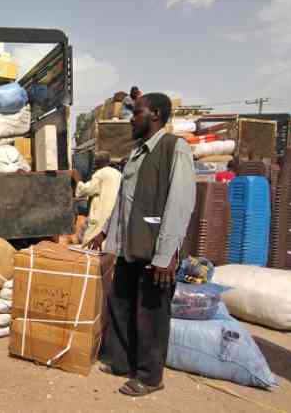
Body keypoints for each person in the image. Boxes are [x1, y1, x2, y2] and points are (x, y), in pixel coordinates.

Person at [92, 92, 196, 397]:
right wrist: (106, 231)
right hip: (129, 247)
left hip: (154, 251)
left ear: (156, 115)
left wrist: (166, 255)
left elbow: (179, 203)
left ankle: (150, 377)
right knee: (121, 303)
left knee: (151, 314)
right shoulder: (137, 153)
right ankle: (123, 362)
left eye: (136, 113)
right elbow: (124, 202)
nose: (131, 119)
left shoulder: (174, 149)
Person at [72, 152, 122, 247]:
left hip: (101, 214)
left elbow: (87, 190)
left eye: (95, 162)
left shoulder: (100, 173)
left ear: (97, 162)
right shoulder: (118, 174)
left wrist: (78, 181)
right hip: (114, 213)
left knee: (91, 239)